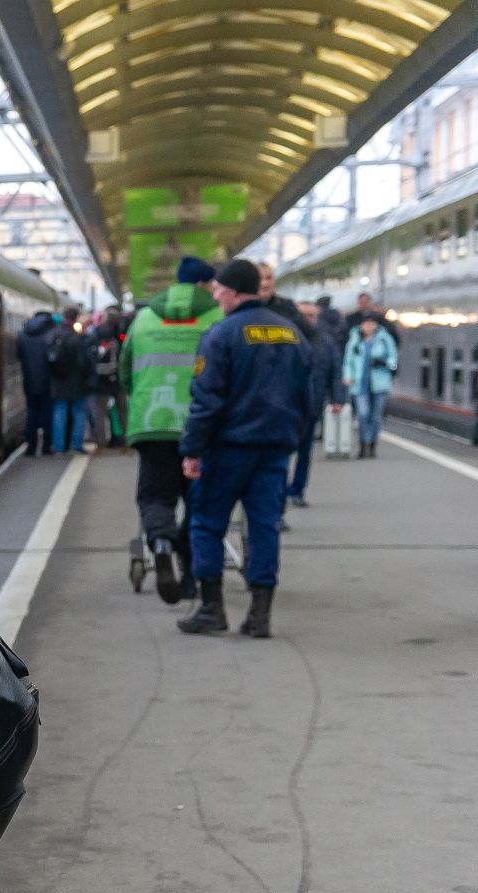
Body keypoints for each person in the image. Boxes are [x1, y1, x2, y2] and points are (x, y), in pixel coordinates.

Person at [176, 259, 312, 640]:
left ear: (233, 291)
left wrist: (192, 449)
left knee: (206, 522)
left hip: (227, 449)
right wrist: (292, 437)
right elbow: (307, 397)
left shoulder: (221, 335)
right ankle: (259, 614)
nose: (215, 295)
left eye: (219, 290)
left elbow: (206, 401)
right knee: (264, 526)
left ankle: (211, 608)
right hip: (274, 449)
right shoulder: (292, 333)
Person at [121, 256, 221, 603]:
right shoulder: (218, 318)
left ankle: (161, 545)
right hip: (205, 427)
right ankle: (192, 575)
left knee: (155, 497)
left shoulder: (144, 318)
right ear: (203, 285)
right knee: (199, 503)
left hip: (154, 424)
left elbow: (124, 370)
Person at [287, 299, 337, 509]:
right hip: (286, 408)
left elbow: (335, 372)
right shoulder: (285, 338)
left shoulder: (326, 341)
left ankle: (298, 489)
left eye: (313, 315)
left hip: (312, 406)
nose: (309, 319)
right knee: (282, 456)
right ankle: (279, 497)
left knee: (304, 453)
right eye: (305, 315)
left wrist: (338, 399)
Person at [342, 315, 399, 458]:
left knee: (376, 416)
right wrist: (347, 376)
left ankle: (372, 445)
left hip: (380, 384)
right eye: (366, 323)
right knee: (363, 414)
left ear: (376, 325)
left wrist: (385, 363)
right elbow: (348, 361)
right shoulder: (354, 340)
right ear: (361, 325)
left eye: (371, 323)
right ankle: (363, 444)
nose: (369, 326)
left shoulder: (385, 339)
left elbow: (394, 360)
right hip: (360, 384)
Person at [16, 307, 59, 455]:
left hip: (29, 382)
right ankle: (47, 446)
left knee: (31, 414)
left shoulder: (22, 334)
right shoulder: (52, 333)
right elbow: (55, 360)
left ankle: (31, 447)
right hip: (48, 383)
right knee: (48, 415)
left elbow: (19, 356)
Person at [47, 305, 90, 452]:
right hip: (75, 382)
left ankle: (58, 446)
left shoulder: (52, 334)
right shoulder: (75, 337)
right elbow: (82, 362)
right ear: (75, 318)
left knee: (59, 413)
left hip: (57, 382)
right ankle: (76, 445)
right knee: (79, 413)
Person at [315, 296, 353, 458]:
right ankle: (326, 431)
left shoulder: (320, 326)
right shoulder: (340, 322)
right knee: (332, 402)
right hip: (337, 362)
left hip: (321, 367)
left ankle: (323, 431)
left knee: (319, 404)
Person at [86, 306, 128, 448]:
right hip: (118, 378)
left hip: (100, 380)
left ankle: (102, 442)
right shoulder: (122, 334)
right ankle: (124, 439)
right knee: (122, 411)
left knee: (100, 413)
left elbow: (89, 356)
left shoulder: (97, 333)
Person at [257, 262, 316, 341]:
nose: (265, 283)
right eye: (260, 278)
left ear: (274, 280)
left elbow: (307, 334)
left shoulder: (287, 306)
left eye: (269, 278)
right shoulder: (245, 309)